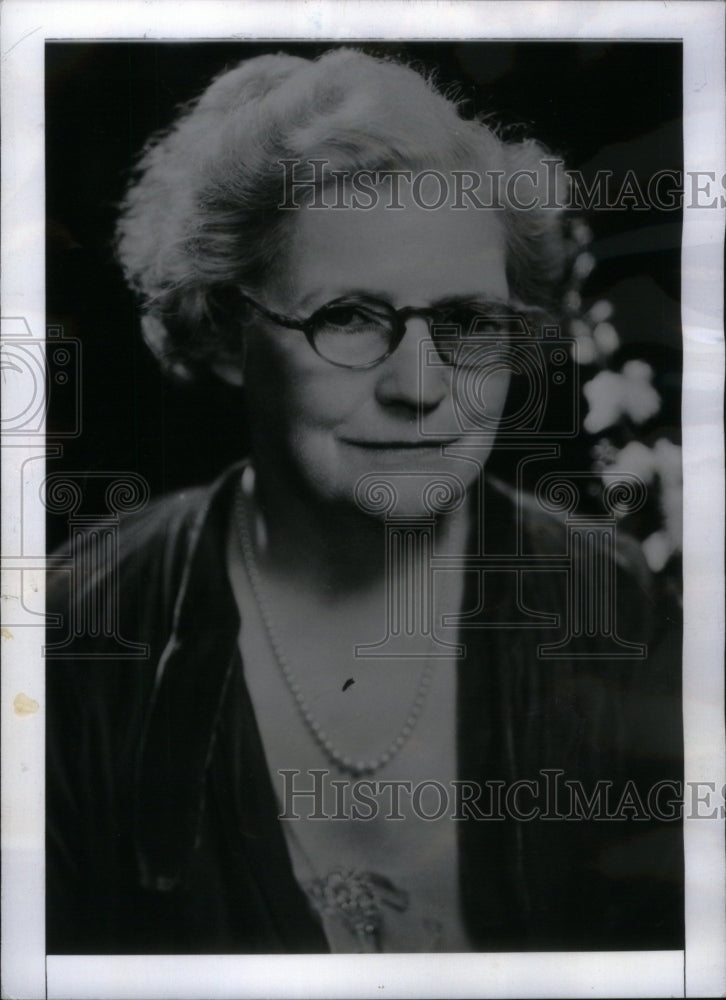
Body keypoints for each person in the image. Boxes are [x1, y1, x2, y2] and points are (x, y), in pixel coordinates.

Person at [46, 47, 683, 954]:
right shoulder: (72, 642)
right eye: (347, 315)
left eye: (466, 322)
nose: (420, 387)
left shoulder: (616, 605)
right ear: (227, 333)